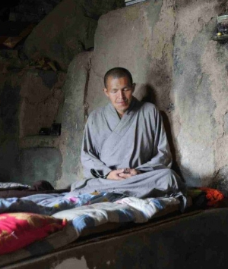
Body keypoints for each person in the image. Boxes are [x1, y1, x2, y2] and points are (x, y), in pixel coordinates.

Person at [70, 67, 184, 198]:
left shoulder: (149, 111)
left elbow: (163, 153)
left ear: (133, 87)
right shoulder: (95, 117)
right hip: (108, 180)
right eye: (114, 91)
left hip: (139, 178)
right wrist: (108, 174)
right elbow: (87, 156)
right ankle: (126, 192)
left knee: (168, 177)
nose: (121, 97)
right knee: (78, 186)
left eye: (126, 89)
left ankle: (114, 194)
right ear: (106, 92)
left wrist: (139, 171)